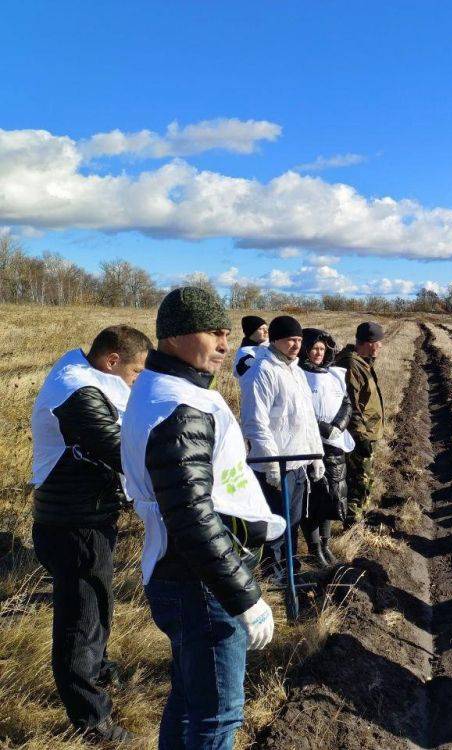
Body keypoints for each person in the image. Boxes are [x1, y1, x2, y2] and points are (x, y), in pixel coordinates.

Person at [122, 287, 285, 749]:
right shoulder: (179, 408)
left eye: (226, 332)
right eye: (213, 332)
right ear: (174, 336)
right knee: (218, 716)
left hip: (182, 575)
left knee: (190, 699)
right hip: (201, 584)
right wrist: (245, 597)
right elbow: (191, 517)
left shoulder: (165, 391)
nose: (224, 344)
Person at [30, 325, 151, 743]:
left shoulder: (84, 376)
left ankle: (98, 671)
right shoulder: (77, 392)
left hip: (85, 515)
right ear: (111, 361)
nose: (136, 381)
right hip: (72, 523)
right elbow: (119, 448)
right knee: (80, 617)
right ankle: (91, 721)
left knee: (97, 600)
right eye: (135, 372)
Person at [240, 315, 325, 577]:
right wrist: (271, 464)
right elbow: (255, 423)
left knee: (294, 520)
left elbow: (308, 419)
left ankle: (290, 565)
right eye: (291, 339)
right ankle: (273, 571)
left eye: (299, 340)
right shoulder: (262, 371)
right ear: (275, 339)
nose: (296, 345)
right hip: (276, 464)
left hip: (298, 460)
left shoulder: (296, 371)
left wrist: (317, 456)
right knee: (276, 521)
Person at [297, 328, 355, 565]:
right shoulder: (298, 375)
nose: (318, 353)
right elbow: (299, 409)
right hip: (310, 444)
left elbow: (346, 402)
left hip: (334, 444)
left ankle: (325, 543)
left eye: (322, 349)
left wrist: (338, 426)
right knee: (313, 499)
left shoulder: (334, 375)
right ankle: (314, 549)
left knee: (332, 494)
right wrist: (322, 428)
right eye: (314, 349)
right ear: (305, 350)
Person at [334, 321, 386, 528]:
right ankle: (353, 525)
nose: (381, 346)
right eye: (379, 342)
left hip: (368, 432)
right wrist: (361, 436)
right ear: (370, 343)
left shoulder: (362, 362)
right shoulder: (352, 365)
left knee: (363, 479)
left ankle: (357, 517)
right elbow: (351, 405)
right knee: (359, 481)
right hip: (359, 436)